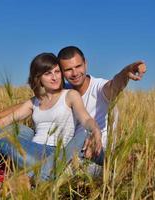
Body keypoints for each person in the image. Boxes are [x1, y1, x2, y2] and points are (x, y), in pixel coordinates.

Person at [0, 52, 102, 196]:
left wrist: (95, 130)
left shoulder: (70, 95)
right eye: (48, 73)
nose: (55, 76)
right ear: (38, 78)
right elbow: (5, 120)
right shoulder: (35, 102)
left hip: (49, 155)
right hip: (29, 150)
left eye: (57, 71)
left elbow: (85, 118)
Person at [39, 46, 146, 180]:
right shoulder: (62, 91)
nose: (75, 73)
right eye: (68, 69)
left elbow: (114, 86)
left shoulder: (99, 87)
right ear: (61, 72)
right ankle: (57, 170)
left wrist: (125, 73)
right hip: (68, 151)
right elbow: (33, 103)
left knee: (81, 141)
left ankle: (43, 175)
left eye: (78, 66)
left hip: (97, 151)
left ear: (86, 64)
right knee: (19, 132)